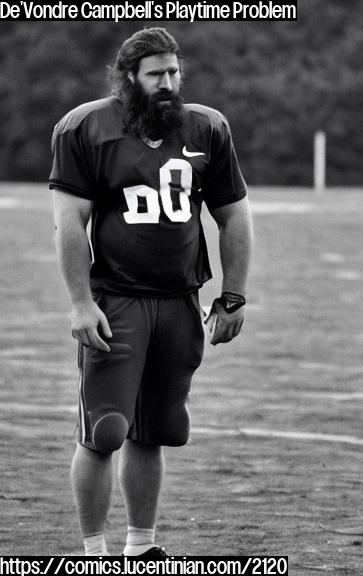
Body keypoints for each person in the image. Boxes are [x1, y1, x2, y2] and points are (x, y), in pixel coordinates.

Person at [50, 27, 253, 557]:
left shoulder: (207, 127)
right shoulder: (86, 127)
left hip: (178, 299)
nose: (168, 83)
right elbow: (69, 222)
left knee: (156, 430)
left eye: (173, 72)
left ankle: (141, 549)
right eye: (155, 75)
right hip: (116, 300)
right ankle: (94, 553)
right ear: (128, 79)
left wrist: (233, 295)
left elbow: (233, 216)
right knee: (106, 430)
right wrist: (80, 302)